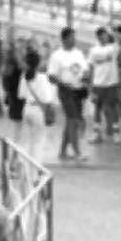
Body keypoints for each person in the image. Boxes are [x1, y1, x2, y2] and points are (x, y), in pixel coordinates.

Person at [47, 28, 90, 162]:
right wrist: (63, 83)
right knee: (73, 120)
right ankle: (77, 151)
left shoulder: (78, 53)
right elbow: (51, 76)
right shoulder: (57, 55)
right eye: (71, 37)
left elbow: (85, 69)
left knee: (71, 121)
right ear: (64, 39)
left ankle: (63, 150)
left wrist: (86, 77)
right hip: (66, 91)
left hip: (79, 90)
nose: (74, 40)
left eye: (74, 37)